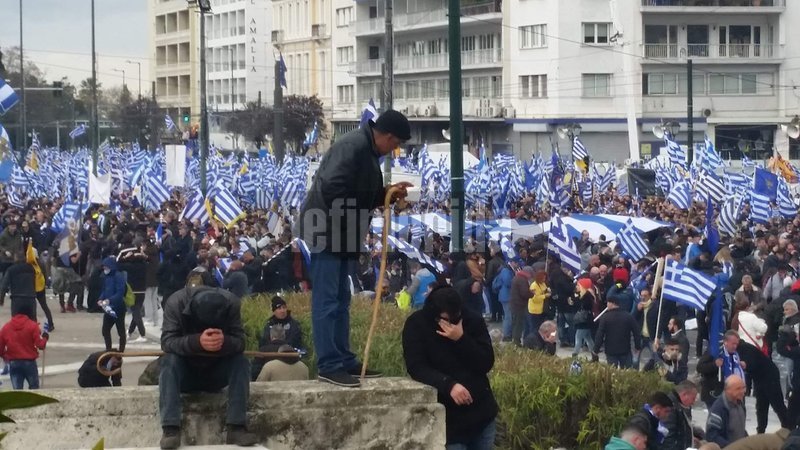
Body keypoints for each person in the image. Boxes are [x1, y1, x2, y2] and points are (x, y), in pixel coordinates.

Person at [296, 109, 412, 388]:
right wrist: (374, 197)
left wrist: (386, 193)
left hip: (343, 233)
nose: (394, 150)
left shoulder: (366, 150)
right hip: (327, 231)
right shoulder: (352, 147)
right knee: (327, 301)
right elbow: (334, 189)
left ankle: (344, 359)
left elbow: (358, 193)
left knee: (341, 300)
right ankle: (329, 364)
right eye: (395, 144)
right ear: (385, 135)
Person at [159, 281, 257, 449]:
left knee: (241, 362)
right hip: (186, 372)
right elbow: (167, 342)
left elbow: (240, 342)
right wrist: (196, 342)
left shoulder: (232, 303)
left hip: (216, 372)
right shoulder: (175, 303)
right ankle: (171, 428)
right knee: (169, 361)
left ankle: (236, 426)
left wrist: (225, 342)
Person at [402, 283, 498, 450]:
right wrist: (448, 385)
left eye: (456, 318)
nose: (453, 323)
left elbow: (485, 362)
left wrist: (461, 339)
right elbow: (416, 366)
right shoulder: (416, 324)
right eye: (447, 319)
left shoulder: (471, 319)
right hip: (449, 419)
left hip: (481, 413)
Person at [737, 340, 789, 433]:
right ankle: (761, 431)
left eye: (734, 343)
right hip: (759, 378)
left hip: (769, 375)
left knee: (777, 404)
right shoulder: (735, 351)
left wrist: (745, 364)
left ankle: (788, 428)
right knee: (761, 405)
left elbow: (751, 362)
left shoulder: (746, 348)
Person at [0, 302, 49, 390]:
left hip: (14, 362)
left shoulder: (6, 327)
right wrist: (45, 338)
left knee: (17, 392)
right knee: (34, 390)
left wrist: (5, 356)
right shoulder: (32, 326)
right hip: (29, 362)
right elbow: (40, 345)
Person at [593, 295, 641, 369]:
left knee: (612, 372)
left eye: (608, 303)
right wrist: (637, 346)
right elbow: (636, 331)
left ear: (612, 303)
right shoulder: (628, 316)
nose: (607, 305)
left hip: (610, 350)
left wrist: (596, 349)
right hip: (625, 349)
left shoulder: (605, 317)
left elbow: (600, 334)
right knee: (627, 372)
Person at [705, 374, 748, 448]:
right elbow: (711, 436)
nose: (743, 391)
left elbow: (740, 429)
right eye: (738, 389)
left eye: (743, 387)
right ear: (727, 390)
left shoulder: (740, 404)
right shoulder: (719, 408)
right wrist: (731, 447)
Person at [99, 257, 128, 353]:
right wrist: (101, 299)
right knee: (105, 330)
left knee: (121, 331)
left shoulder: (118, 276)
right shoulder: (105, 277)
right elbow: (104, 290)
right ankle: (108, 349)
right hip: (109, 308)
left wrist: (109, 300)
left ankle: (121, 350)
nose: (105, 269)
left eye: (106, 267)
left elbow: (120, 293)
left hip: (118, 307)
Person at [661, 381, 698, 450]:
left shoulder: (682, 406)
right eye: (693, 398)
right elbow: (668, 436)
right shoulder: (670, 408)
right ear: (684, 394)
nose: (693, 402)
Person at [573, 277, 598, 360]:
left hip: (584, 320)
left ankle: (575, 354)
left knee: (578, 337)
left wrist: (576, 299)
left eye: (578, 285)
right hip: (586, 320)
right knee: (588, 338)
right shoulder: (586, 295)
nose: (576, 286)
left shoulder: (587, 296)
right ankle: (594, 355)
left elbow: (584, 306)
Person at [509, 266, 534, 347]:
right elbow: (524, 293)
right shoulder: (522, 280)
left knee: (516, 323)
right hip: (519, 305)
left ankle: (515, 340)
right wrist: (532, 293)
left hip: (515, 304)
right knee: (518, 324)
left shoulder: (517, 277)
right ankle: (516, 342)